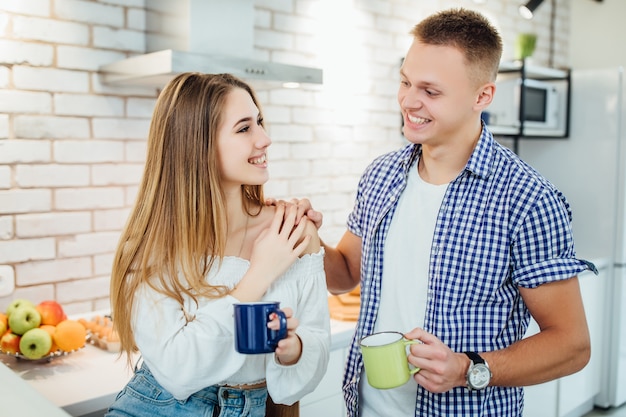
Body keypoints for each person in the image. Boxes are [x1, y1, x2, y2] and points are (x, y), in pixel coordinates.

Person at [295, 7, 596, 417]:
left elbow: (571, 345)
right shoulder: (382, 175)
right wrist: (310, 241)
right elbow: (346, 272)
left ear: (482, 96)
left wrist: (468, 368)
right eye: (404, 82)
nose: (408, 101)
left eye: (430, 91)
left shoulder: (527, 199)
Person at [105, 72, 330, 417]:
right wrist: (260, 273)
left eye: (259, 122)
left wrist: (295, 350)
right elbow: (178, 372)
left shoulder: (292, 229)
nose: (265, 139)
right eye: (244, 129)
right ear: (196, 145)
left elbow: (316, 341)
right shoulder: (155, 246)